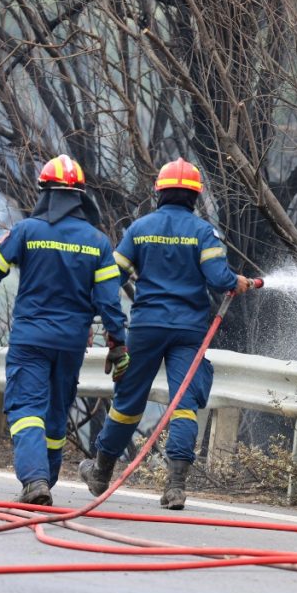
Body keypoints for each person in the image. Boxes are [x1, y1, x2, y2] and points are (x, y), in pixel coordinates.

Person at [80, 157, 250, 509]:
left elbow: (113, 276)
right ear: (195, 196)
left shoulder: (139, 229)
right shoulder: (204, 232)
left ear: (159, 192)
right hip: (188, 331)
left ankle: (100, 472)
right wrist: (240, 282)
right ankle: (175, 487)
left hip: (146, 327)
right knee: (183, 405)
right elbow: (220, 279)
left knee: (128, 402)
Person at [0, 154, 129, 505]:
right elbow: (108, 301)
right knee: (56, 412)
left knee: (27, 407)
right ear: (80, 196)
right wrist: (118, 344)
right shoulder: (98, 242)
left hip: (31, 339)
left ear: (44, 192)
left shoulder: (27, 231)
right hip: (72, 343)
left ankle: (35, 480)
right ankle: (46, 479)